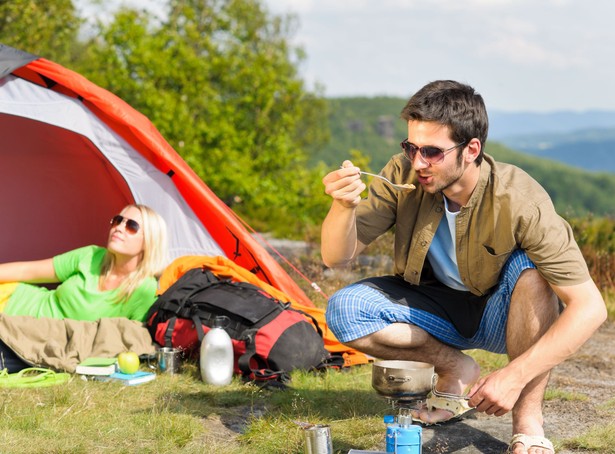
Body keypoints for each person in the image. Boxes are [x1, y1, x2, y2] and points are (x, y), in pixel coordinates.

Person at [321, 80, 607, 454]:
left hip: (499, 312)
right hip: (434, 305)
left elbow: (590, 307)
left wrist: (513, 376)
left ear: (471, 149)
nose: (418, 162)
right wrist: (343, 208)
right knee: (344, 310)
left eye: (432, 152)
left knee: (532, 271)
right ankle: (455, 368)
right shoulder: (401, 175)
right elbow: (336, 258)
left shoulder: (520, 199)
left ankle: (528, 424)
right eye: (411, 147)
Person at [0, 204, 168, 323]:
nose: (119, 228)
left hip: (29, 334)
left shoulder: (144, 289)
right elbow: (26, 271)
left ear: (149, 241)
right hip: (12, 301)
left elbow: (134, 339)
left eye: (131, 226)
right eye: (118, 221)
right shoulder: (91, 255)